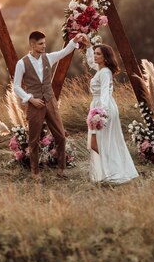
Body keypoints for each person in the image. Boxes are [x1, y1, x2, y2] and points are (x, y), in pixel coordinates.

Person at [13, 31, 83, 181]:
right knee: (33, 140)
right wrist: (30, 99)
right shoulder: (22, 63)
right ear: (32, 44)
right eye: (40, 44)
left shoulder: (48, 58)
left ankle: (62, 170)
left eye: (44, 43)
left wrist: (74, 40)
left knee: (61, 136)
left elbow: (64, 52)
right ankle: (35, 172)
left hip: (51, 101)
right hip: (34, 105)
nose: (44, 46)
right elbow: (16, 86)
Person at [82, 36, 139, 183]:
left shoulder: (105, 72)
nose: (95, 56)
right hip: (98, 106)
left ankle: (112, 172)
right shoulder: (100, 69)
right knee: (100, 141)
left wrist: (101, 113)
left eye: (98, 54)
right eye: (95, 53)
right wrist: (89, 46)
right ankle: (106, 172)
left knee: (103, 141)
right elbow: (90, 62)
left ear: (105, 58)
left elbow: (105, 94)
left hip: (102, 108)